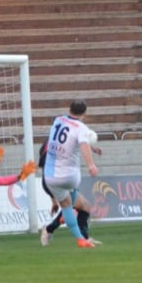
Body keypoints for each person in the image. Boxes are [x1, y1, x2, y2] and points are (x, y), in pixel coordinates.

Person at [42, 99, 99, 248]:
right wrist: (91, 165)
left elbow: (65, 140)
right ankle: (78, 236)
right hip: (70, 176)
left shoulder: (58, 120)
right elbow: (83, 144)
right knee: (73, 205)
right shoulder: (81, 127)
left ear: (69, 109)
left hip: (50, 176)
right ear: (85, 112)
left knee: (67, 206)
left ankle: (80, 238)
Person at [38, 137, 103, 246]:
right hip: (59, 179)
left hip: (51, 180)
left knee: (83, 206)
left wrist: (93, 149)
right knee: (72, 206)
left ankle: (83, 238)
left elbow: (43, 167)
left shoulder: (52, 141)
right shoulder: (66, 139)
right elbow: (80, 142)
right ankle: (50, 229)